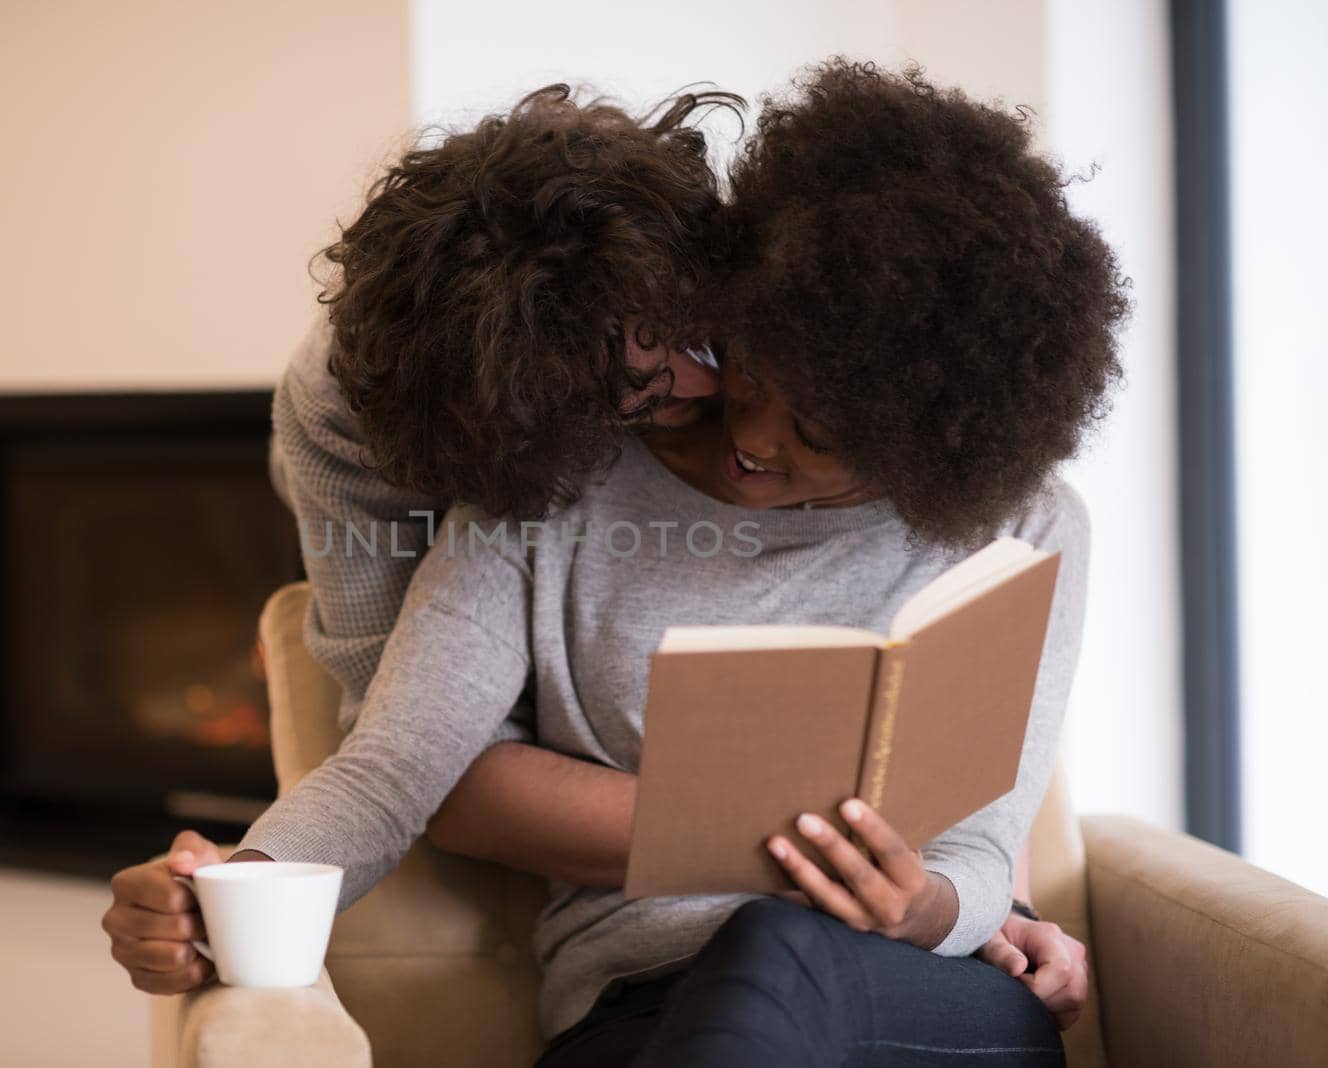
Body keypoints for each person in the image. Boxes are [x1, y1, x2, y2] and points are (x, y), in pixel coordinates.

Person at [101, 66, 1108, 1042]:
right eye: (649, 398)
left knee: (780, 955)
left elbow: (982, 838)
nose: (745, 435)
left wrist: (938, 911)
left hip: (916, 992)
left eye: (810, 429)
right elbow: (394, 767)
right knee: (761, 962)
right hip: (646, 1000)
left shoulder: (1020, 523)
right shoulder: (534, 490)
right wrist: (227, 886)